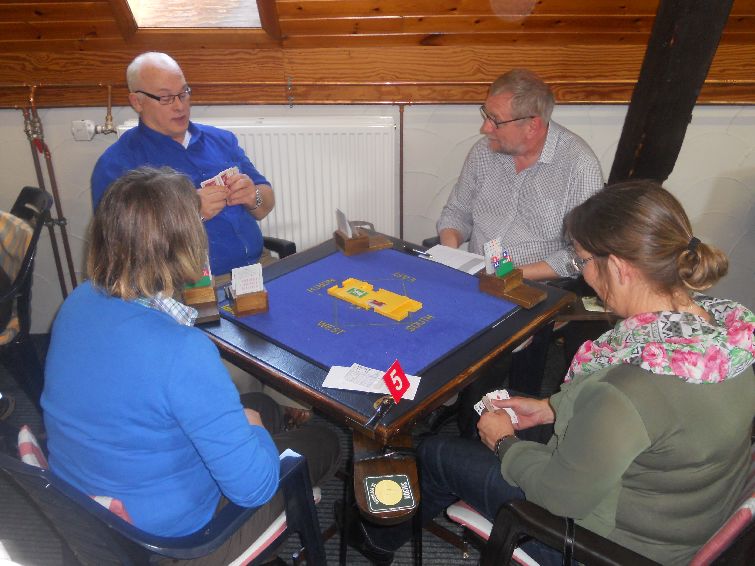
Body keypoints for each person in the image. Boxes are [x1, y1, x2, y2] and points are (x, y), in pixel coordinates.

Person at [346, 180, 755, 566]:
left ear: (619, 266)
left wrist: (505, 444)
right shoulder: (730, 334)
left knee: (436, 453)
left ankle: (374, 541)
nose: (582, 274)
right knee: (499, 438)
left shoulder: (628, 388)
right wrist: (550, 408)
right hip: (688, 513)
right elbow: (653, 424)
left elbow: (563, 497)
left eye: (583, 261)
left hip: (608, 547)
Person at [42, 167, 340, 564]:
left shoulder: (77, 303)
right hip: (173, 543)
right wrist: (251, 427)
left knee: (261, 407)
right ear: (189, 245)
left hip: (86, 510)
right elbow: (255, 489)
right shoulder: (182, 351)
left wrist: (251, 419)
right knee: (322, 443)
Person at [431, 69, 606, 433]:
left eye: (495, 121)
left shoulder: (579, 165)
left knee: (492, 348)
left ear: (533, 125)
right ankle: (439, 397)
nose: (485, 129)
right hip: (478, 270)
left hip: (540, 280)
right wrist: (450, 253)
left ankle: (477, 430)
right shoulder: (484, 153)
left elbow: (582, 255)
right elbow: (456, 213)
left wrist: (515, 274)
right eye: (486, 116)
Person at [91, 52, 274, 277]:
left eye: (184, 93)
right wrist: (189, 215)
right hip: (190, 287)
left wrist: (252, 196)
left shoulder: (221, 139)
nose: (180, 106)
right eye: (166, 98)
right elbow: (121, 250)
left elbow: (265, 203)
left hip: (259, 265)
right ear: (137, 101)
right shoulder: (118, 164)